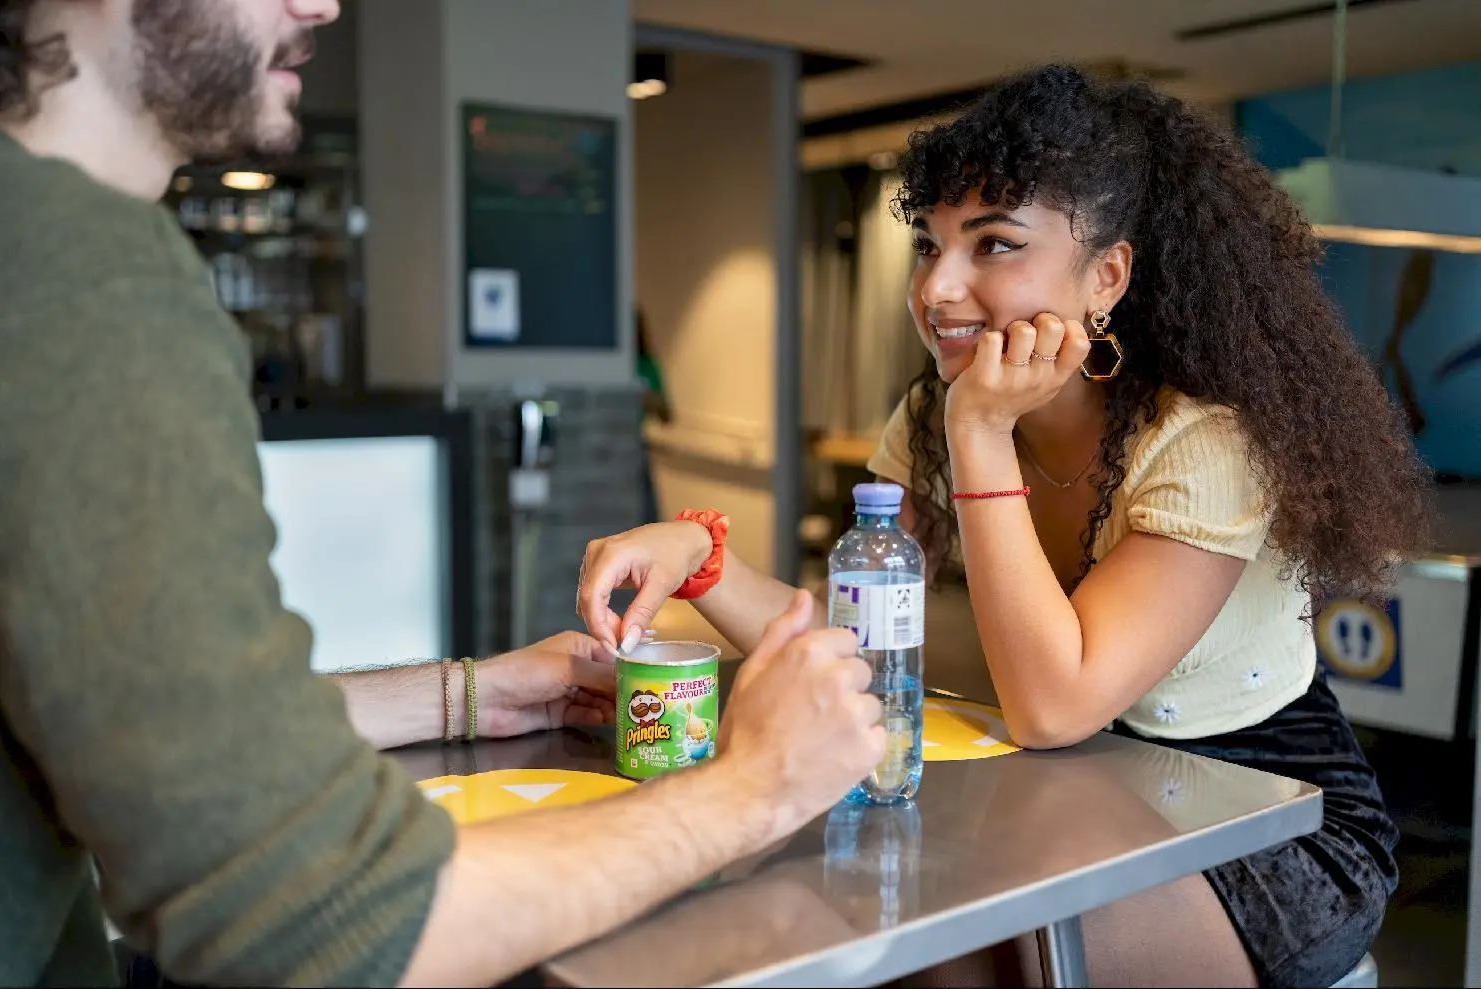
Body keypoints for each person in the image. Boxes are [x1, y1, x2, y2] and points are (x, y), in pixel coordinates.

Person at [0, 1, 886, 986]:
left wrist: (470, 692)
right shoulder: (84, 279)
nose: (322, 3)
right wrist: (754, 786)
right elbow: (323, 916)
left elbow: (161, 734)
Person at [579, 64, 1432, 987]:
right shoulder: (933, 416)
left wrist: (980, 432)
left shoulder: (1204, 443)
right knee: (860, 910)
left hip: (1269, 827)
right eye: (929, 244)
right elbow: (851, 636)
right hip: (1079, 798)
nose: (938, 287)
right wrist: (702, 556)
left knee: (964, 942)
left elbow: (1055, 705)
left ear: (1107, 275)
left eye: (992, 246)